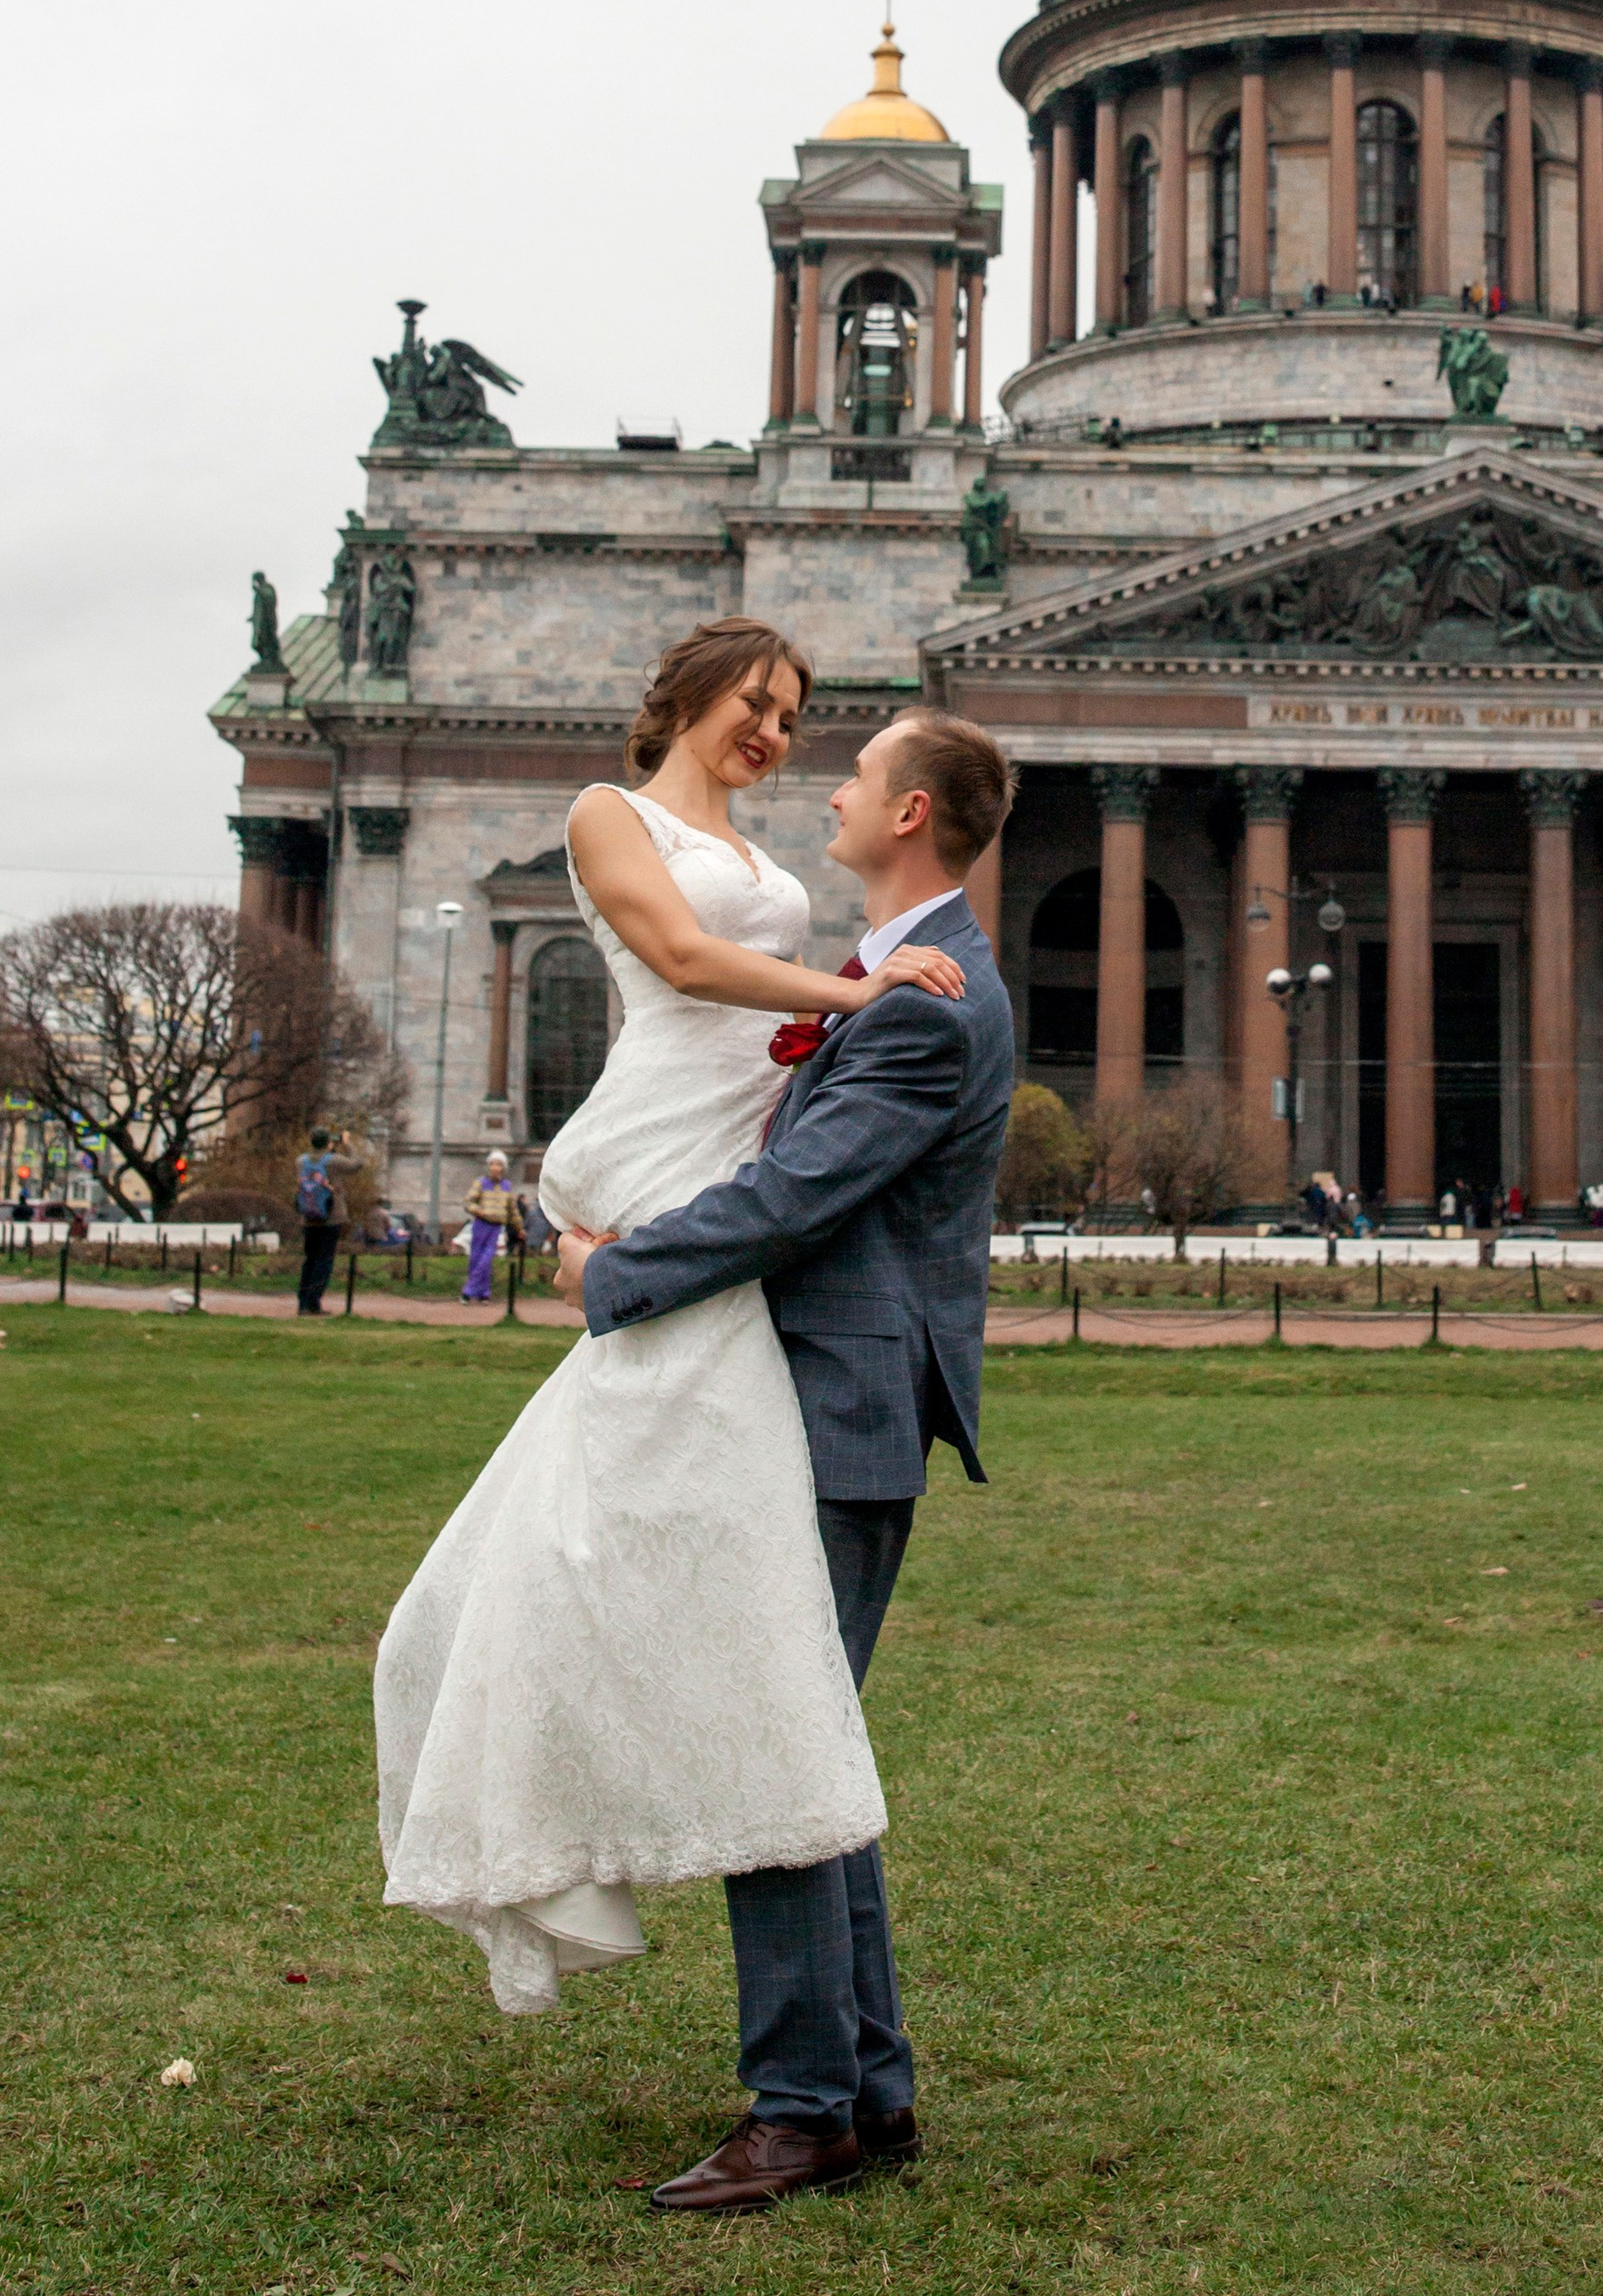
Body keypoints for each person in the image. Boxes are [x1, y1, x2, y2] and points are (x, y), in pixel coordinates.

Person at [373, 621, 978, 2085]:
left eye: (797, 715)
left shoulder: (780, 864)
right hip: (670, 1152)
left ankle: (828, 2080)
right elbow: (684, 956)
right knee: (749, 1676)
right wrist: (855, 992)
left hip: (731, 1184)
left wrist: (852, 1003)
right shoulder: (608, 812)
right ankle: (825, 2073)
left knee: (748, 1683)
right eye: (757, 701)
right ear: (690, 695)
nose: (777, 731)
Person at [548, 690, 1015, 2218]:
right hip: (824, 1394)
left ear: (911, 814)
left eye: (857, 772)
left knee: (767, 1748)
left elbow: (795, 1193)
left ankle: (803, 2107)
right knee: (807, 1746)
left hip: (838, 1400)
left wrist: (611, 1269)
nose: (828, 790)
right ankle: (864, 2084)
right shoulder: (896, 976)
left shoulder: (927, 1000)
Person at [294, 1128, 346, 1316]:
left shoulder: (301, 1161)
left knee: (309, 1259)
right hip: (329, 1217)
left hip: (308, 1216)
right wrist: (347, 1144)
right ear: (328, 1143)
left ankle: (303, 1303)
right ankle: (314, 1302)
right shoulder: (334, 1161)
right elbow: (357, 1164)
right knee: (324, 1260)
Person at [461, 1152, 517, 1303]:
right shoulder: (481, 1183)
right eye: (492, 1164)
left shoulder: (506, 1186)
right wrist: (479, 1211)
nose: (495, 1168)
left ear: (503, 1168)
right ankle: (483, 1293)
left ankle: (468, 1291)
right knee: (476, 1259)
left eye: (498, 1165)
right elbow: (468, 1202)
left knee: (486, 1259)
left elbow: (512, 1210)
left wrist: (519, 1228)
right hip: (481, 1224)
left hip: (495, 1227)